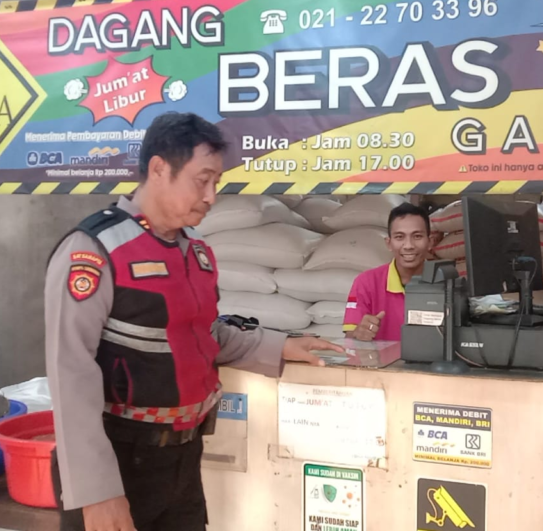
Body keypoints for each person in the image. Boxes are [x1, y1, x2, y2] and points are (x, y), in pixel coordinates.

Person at [45, 112, 344, 531]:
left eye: (216, 182)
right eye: (202, 180)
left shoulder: (195, 251)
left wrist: (281, 345)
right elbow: (70, 373)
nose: (211, 196)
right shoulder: (96, 249)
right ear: (158, 169)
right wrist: (96, 491)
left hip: (181, 460)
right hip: (118, 462)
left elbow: (204, 334)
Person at [343, 203, 432, 341]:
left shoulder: (447, 282)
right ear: (389, 243)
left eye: (417, 236)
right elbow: (350, 337)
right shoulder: (366, 282)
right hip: (380, 356)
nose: (408, 246)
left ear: (430, 242)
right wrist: (359, 333)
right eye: (399, 237)